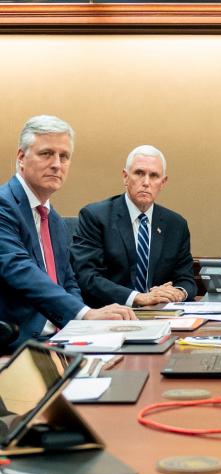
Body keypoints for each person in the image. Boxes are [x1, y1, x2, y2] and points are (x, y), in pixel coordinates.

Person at [0, 115, 134, 352]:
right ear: (21, 157)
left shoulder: (54, 220)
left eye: (64, 156)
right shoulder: (4, 206)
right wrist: (83, 314)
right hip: (18, 346)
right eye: (46, 154)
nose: (56, 164)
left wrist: (83, 330)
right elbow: (19, 269)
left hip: (61, 339)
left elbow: (69, 281)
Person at [71, 145, 196, 308]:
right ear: (125, 177)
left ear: (163, 182)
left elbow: (186, 279)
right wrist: (138, 298)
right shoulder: (95, 216)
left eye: (154, 176)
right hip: (109, 314)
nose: (146, 182)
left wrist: (177, 293)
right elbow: (86, 276)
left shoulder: (176, 225)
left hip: (159, 315)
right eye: (139, 173)